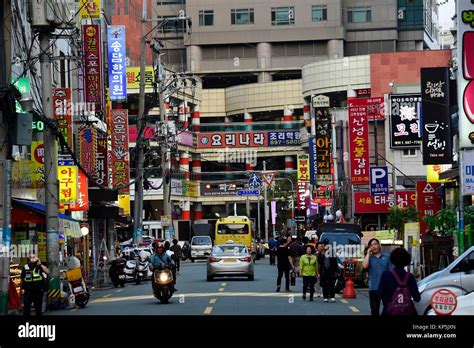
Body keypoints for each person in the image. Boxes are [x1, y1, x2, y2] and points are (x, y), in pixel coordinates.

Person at [378, 248, 421, 315]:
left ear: (393, 260)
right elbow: (417, 298)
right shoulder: (410, 277)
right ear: (407, 260)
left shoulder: (386, 275)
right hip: (408, 312)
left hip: (389, 311)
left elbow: (380, 293)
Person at [362, 238, 392, 316]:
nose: (373, 246)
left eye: (375, 244)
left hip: (386, 288)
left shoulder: (387, 257)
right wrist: (368, 254)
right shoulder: (369, 258)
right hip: (374, 288)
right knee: (374, 311)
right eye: (371, 245)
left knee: (388, 309)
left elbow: (391, 272)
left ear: (379, 245)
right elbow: (364, 266)